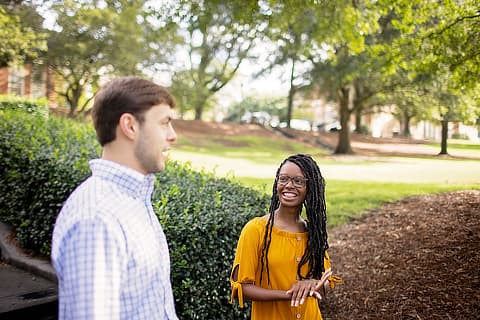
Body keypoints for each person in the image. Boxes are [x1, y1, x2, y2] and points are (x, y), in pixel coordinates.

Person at [51, 76, 178, 320]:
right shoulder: (97, 219)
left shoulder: (131, 200)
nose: (172, 135)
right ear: (130, 126)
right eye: (164, 123)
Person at [230, 153, 341, 320]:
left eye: (298, 181)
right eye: (283, 179)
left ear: (310, 188)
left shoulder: (313, 233)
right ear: (277, 183)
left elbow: (324, 281)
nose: (289, 185)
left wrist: (312, 285)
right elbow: (242, 288)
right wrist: (288, 294)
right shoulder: (256, 230)